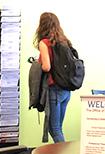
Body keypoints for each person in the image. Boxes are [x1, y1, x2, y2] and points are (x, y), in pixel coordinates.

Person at [33, 12, 72, 143]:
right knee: (57, 128)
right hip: (66, 90)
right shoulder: (64, 41)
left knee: (54, 129)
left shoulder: (44, 43)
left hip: (54, 90)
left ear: (42, 25)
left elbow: (46, 67)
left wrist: (37, 64)